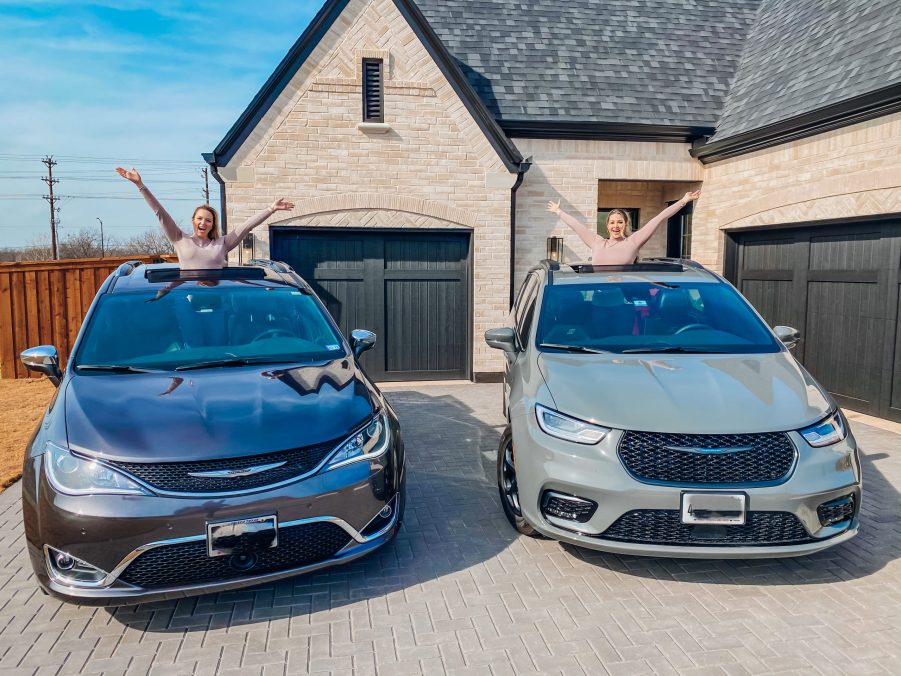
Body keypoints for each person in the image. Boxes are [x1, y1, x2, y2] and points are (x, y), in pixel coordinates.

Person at [116, 166, 295, 269]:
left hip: (218, 299)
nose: (203, 222)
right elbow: (160, 213)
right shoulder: (179, 238)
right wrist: (140, 185)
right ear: (193, 220)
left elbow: (246, 226)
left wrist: (271, 209)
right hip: (188, 300)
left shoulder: (223, 243)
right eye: (200, 218)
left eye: (208, 220)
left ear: (212, 225)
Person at [546, 191, 701, 264]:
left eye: (620, 222)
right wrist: (559, 211)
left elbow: (658, 219)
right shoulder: (597, 242)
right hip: (596, 305)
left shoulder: (633, 242)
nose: (616, 226)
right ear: (607, 226)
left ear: (625, 224)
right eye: (612, 222)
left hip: (623, 304)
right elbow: (577, 226)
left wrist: (684, 200)